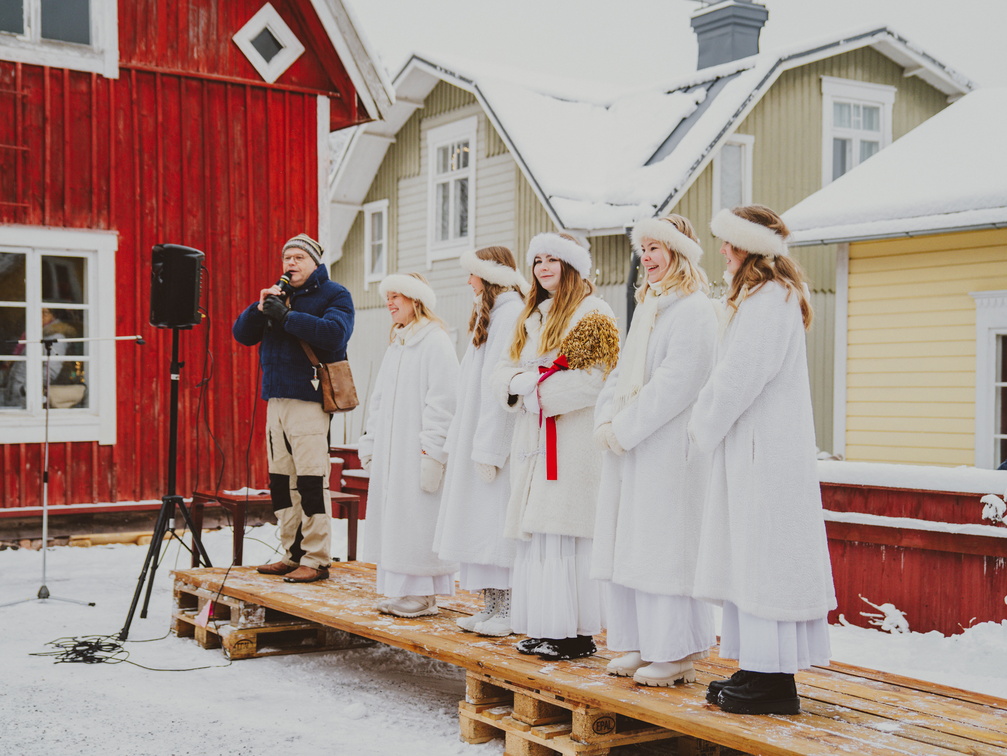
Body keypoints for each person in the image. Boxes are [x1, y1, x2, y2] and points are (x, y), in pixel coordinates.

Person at [688, 205, 836, 715]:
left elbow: (739, 377)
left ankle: (772, 680)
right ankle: (757, 667)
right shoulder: (760, 297)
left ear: (749, 247)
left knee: (762, 562)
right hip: (755, 452)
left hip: (764, 457)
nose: (723, 252)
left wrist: (700, 425)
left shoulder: (771, 299)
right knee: (750, 562)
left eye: (729, 243)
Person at [592, 215, 718, 686]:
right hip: (635, 450)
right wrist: (606, 416)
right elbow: (623, 371)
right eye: (641, 249)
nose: (646, 257)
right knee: (636, 546)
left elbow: (677, 384)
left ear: (679, 251)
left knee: (666, 549)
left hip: (668, 451)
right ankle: (643, 642)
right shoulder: (650, 307)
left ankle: (675, 650)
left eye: (655, 248)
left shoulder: (694, 309)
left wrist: (623, 428)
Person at [493, 233, 620, 661]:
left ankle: (575, 632)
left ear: (573, 265)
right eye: (537, 261)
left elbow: (595, 379)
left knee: (564, 533)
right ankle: (548, 626)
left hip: (571, 442)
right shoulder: (533, 315)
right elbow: (504, 368)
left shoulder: (594, 313)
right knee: (540, 534)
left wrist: (538, 395)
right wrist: (515, 385)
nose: (543, 268)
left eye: (553, 260)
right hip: (534, 439)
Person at [233, 233, 354, 584]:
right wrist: (260, 308)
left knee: (311, 479)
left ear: (315, 263)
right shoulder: (278, 293)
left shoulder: (335, 294)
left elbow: (334, 335)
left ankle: (316, 559)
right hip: (276, 398)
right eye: (287, 258)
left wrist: (286, 316)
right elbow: (242, 335)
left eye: (299, 257)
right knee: (282, 480)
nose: (291, 264)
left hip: (310, 398)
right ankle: (292, 553)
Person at [434, 247, 528, 637]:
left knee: (493, 526)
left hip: (494, 442)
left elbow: (499, 389)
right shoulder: (488, 316)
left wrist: (491, 446)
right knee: (477, 525)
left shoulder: (510, 315)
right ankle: (490, 604)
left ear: (488, 276)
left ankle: (508, 606)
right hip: (474, 436)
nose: (468, 282)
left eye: (472, 275)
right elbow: (468, 386)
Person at [358, 273, 460, 618]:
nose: (389, 303)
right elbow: (379, 399)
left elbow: (444, 401)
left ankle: (422, 593)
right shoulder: (399, 343)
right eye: (388, 296)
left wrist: (433, 453)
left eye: (396, 296)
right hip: (393, 453)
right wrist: (370, 441)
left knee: (416, 519)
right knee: (398, 520)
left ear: (416, 300)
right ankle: (405, 590)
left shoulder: (435, 342)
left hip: (415, 452)